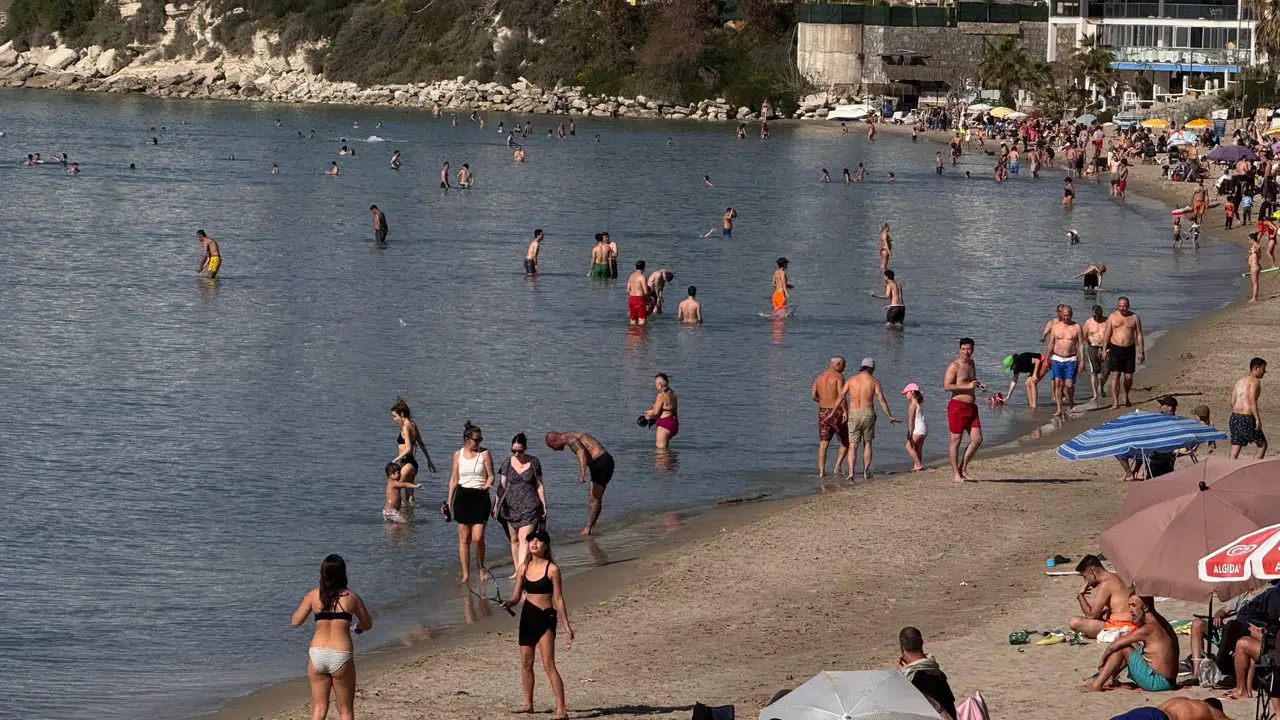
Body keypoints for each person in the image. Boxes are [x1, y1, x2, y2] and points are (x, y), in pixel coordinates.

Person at [501, 529, 573, 719]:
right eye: (531, 540)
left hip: (545, 618)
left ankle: (561, 709)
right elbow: (517, 596)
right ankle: (528, 704)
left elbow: (558, 599)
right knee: (526, 664)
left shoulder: (552, 569)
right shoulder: (522, 568)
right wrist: (508, 602)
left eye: (539, 540)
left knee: (549, 665)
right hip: (527, 617)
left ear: (546, 545)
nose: (534, 543)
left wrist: (566, 626)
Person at [291, 554, 372, 720]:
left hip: (317, 654)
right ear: (343, 574)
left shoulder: (314, 595)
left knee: (319, 710)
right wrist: (357, 627)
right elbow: (367, 624)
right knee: (345, 711)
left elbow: (295, 621)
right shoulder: (351, 597)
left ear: (323, 573)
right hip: (340, 654)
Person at [1084, 594, 1179, 692]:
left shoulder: (1148, 628)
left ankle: (1097, 684)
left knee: (1123, 648)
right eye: (1129, 605)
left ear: (1146, 607)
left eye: (1134, 605)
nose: (1130, 609)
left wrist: (1102, 661)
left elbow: (1113, 646)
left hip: (1158, 682)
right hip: (1170, 680)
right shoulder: (1160, 622)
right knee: (1129, 642)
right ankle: (1109, 677)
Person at [837, 358, 901, 481]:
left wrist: (834, 411)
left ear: (862, 366)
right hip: (868, 413)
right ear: (871, 368)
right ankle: (865, 472)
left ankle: (851, 472)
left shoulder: (851, 380)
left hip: (854, 413)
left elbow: (841, 396)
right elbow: (881, 399)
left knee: (853, 445)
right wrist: (889, 415)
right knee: (868, 443)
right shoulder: (874, 381)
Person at [447, 422, 495, 583]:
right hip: (462, 496)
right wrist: (449, 501)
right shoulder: (457, 455)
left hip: (480, 496)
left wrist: (488, 484)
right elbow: (454, 478)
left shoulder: (485, 454)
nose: (479, 442)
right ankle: (465, 574)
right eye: (476, 439)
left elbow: (491, 475)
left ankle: (481, 567)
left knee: (478, 537)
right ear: (467, 439)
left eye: (480, 439)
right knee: (463, 539)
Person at [545, 431, 613, 535]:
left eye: (552, 446)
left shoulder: (570, 439)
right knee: (594, 498)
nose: (554, 450)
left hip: (601, 463)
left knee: (594, 499)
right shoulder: (572, 434)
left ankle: (588, 529)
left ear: (555, 440)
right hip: (601, 462)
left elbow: (581, 451)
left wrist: (582, 473)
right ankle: (590, 528)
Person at [495, 433, 546, 571]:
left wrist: (544, 505)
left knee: (524, 538)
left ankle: (522, 571)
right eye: (514, 451)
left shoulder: (534, 462)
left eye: (520, 451)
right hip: (510, 507)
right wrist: (495, 505)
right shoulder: (506, 463)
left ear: (526, 448)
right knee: (514, 540)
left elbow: (539, 485)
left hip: (530, 505)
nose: (516, 454)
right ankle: (517, 569)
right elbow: (501, 487)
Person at [1069, 555, 1135, 639]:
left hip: (1123, 626)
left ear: (1091, 573)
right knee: (1104, 613)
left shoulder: (1106, 584)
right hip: (1135, 621)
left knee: (1074, 622)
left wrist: (1080, 595)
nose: (1085, 581)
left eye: (1085, 577)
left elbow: (1091, 616)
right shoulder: (1116, 576)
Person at [944, 338, 983, 483]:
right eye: (963, 349)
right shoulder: (954, 366)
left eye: (969, 349)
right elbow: (947, 386)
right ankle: (956, 474)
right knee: (956, 440)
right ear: (959, 349)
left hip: (972, 406)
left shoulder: (972, 363)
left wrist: (978, 385)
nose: (966, 352)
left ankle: (963, 468)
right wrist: (967, 388)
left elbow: (970, 381)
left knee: (977, 439)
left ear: (973, 350)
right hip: (957, 406)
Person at [896, 627, 956, 719]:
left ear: (901, 649)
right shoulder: (937, 672)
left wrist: (901, 676)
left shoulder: (913, 680)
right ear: (921, 643)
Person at [391, 396, 436, 506]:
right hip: (412, 464)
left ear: (401, 414)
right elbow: (421, 444)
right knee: (409, 495)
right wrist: (429, 461)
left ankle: (397, 515)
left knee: (395, 487)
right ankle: (410, 519)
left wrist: (395, 460)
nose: (394, 419)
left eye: (395, 416)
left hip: (407, 462)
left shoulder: (406, 427)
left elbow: (408, 448)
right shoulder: (413, 425)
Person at [1042, 304, 1086, 417]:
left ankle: (1071, 400)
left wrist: (1082, 361)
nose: (1067, 317)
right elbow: (1051, 343)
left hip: (1071, 359)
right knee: (1058, 384)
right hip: (1057, 358)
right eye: (1065, 315)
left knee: (1069, 384)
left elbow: (1081, 344)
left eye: (1069, 315)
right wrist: (1047, 357)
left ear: (1072, 315)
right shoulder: (1055, 327)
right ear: (1061, 314)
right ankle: (1059, 408)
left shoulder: (1076, 327)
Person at [1104, 297, 1145, 409]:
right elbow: (1107, 334)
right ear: (1117, 306)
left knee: (1128, 377)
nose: (1122, 308)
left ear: (1128, 306)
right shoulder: (1112, 317)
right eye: (1120, 306)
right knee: (1115, 376)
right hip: (1115, 348)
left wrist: (1141, 351)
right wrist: (1104, 350)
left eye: (1124, 306)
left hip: (1129, 349)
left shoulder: (1134, 317)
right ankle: (1115, 402)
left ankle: (1126, 395)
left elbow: (1139, 335)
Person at [813, 358, 851, 478]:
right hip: (837, 411)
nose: (844, 369)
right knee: (846, 440)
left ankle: (821, 472)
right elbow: (841, 395)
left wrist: (822, 401)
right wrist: (845, 410)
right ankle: (837, 467)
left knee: (823, 443)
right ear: (838, 364)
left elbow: (813, 395)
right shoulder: (838, 377)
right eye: (843, 366)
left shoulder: (819, 377)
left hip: (823, 411)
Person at [1229, 357, 1268, 459]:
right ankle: (1254, 469)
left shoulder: (1239, 381)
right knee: (1262, 444)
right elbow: (1252, 400)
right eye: (1263, 369)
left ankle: (1229, 470)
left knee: (1235, 447)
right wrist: (1257, 419)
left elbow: (1232, 402)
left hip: (1234, 417)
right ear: (1256, 368)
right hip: (1246, 417)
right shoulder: (1254, 381)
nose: (1265, 372)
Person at [643, 373, 679, 448]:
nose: (655, 386)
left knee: (660, 451)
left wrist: (647, 416)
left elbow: (656, 413)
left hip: (664, 425)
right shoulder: (672, 393)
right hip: (673, 423)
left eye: (655, 384)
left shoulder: (661, 395)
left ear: (660, 384)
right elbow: (668, 407)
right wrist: (652, 411)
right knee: (667, 450)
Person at [1083, 305, 1109, 403]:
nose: (1097, 317)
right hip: (1093, 347)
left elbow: (1112, 334)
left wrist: (1107, 348)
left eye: (1099, 315)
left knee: (1106, 372)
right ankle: (1095, 394)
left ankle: (1101, 386)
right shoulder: (1089, 322)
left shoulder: (1107, 321)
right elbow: (1084, 336)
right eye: (1095, 315)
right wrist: (1090, 342)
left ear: (1102, 312)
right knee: (1093, 372)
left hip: (1105, 348)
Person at [902, 384, 927, 471]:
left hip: (918, 429)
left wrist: (909, 432)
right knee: (918, 447)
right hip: (924, 429)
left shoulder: (912, 405)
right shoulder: (918, 404)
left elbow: (911, 421)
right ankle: (917, 465)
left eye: (906, 393)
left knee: (908, 447)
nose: (906, 395)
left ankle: (918, 465)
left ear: (912, 392)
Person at [627, 260, 650, 326]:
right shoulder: (642, 277)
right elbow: (645, 291)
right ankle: (640, 335)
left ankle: (632, 334)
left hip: (631, 298)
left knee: (633, 319)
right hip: (639, 299)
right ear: (644, 267)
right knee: (641, 319)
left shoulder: (631, 276)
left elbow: (628, 290)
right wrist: (648, 300)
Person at [1249, 233, 1262, 303]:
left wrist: (1254, 252)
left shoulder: (1255, 246)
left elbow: (1258, 254)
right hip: (1256, 265)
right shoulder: (1255, 246)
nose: (1249, 241)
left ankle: (1254, 298)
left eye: (1249, 239)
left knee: (1255, 283)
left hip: (1254, 266)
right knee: (1254, 282)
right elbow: (1260, 256)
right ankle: (1254, 297)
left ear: (1252, 239)